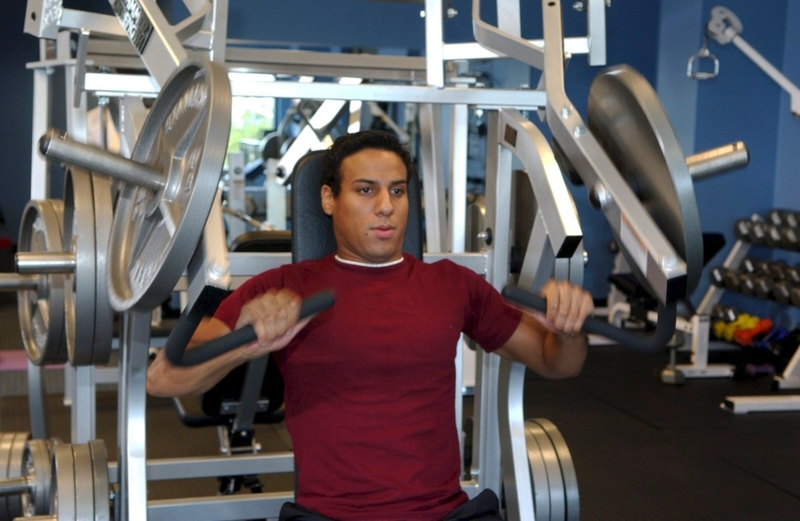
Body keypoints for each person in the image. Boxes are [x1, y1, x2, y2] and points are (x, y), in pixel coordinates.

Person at [147, 130, 594, 521]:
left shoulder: (453, 285)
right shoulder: (283, 290)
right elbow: (164, 379)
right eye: (366, 190)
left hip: (445, 513)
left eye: (397, 192)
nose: (386, 207)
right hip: (331, 515)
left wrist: (569, 328)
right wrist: (248, 346)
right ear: (328, 199)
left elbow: (558, 362)